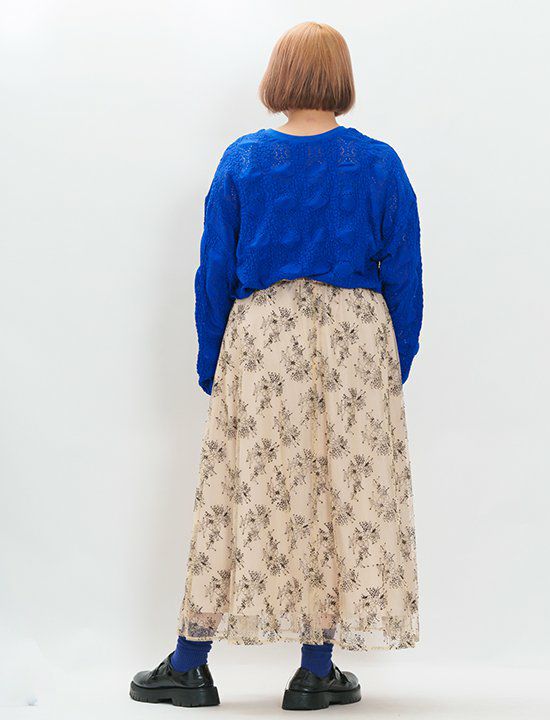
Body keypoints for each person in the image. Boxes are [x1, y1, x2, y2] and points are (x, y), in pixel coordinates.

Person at [129, 20, 423, 712]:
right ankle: (316, 672)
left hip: (264, 342)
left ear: (278, 78)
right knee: (335, 493)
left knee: (237, 488)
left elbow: (215, 271)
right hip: (355, 345)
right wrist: (393, 365)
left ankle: (189, 664)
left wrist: (214, 362)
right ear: (341, 79)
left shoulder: (244, 160)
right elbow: (405, 276)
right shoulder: (379, 164)